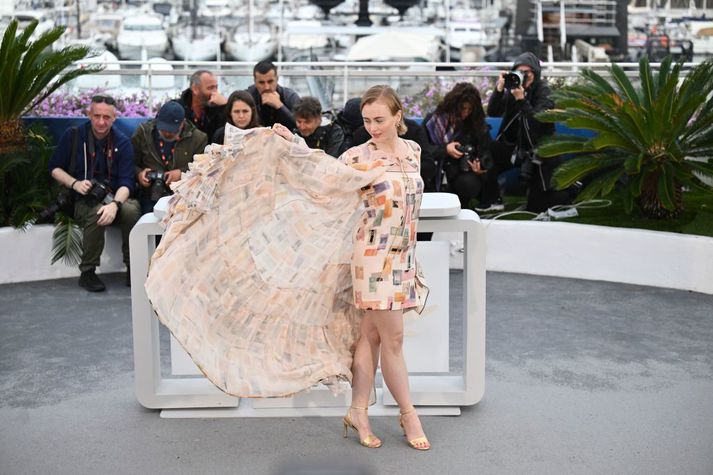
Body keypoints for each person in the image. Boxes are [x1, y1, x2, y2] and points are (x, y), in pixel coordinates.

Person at [145, 85, 430, 451]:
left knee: (370, 338)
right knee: (393, 340)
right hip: (373, 259)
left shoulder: (414, 152)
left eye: (379, 120)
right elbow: (315, 174)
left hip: (403, 256)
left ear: (397, 117)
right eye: (367, 120)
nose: (373, 127)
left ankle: (358, 411)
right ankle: (409, 415)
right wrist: (288, 143)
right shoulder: (358, 158)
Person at [48, 94, 141, 292]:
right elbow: (54, 168)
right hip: (81, 199)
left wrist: (115, 205)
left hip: (112, 198)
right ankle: (88, 272)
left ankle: (133, 267)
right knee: (96, 211)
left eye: (106, 117)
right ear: (89, 114)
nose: (101, 122)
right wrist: (74, 183)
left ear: (114, 118)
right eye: (96, 115)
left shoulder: (122, 142)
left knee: (132, 210)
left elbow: (127, 182)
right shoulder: (74, 135)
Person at [485, 52, 562, 213]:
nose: (524, 76)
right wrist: (499, 89)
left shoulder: (544, 92)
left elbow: (537, 122)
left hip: (539, 150)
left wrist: (522, 101)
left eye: (528, 72)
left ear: (536, 73)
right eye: (520, 72)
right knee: (488, 151)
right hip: (515, 148)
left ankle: (540, 194)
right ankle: (493, 198)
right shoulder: (514, 90)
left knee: (536, 207)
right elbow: (493, 111)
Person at [424, 82, 493, 209]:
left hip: (462, 174)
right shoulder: (434, 121)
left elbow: (486, 150)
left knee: (469, 184)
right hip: (436, 170)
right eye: (462, 108)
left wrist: (479, 166)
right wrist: (445, 149)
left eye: (469, 109)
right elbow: (424, 149)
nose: (465, 113)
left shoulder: (476, 124)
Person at [132, 101, 208, 215]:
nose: (167, 133)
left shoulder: (198, 139)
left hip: (183, 198)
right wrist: (139, 174)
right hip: (149, 195)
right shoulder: (143, 133)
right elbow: (128, 163)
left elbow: (204, 169)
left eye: (172, 130)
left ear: (182, 124)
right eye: (163, 129)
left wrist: (182, 173)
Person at [246, 60, 300, 129]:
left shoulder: (289, 96)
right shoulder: (247, 97)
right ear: (255, 82)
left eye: (270, 81)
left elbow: (301, 126)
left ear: (277, 79)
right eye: (261, 83)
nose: (266, 87)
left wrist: (280, 106)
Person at [176, 70, 227, 141]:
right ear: (195, 89)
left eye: (216, 87)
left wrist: (225, 106)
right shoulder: (178, 109)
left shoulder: (217, 108)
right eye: (210, 88)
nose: (215, 93)